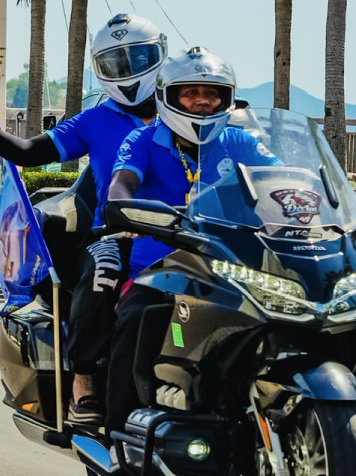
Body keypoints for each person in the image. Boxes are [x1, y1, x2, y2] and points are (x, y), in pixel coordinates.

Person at [0, 14, 168, 423]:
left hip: (185, 232)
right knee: (103, 271)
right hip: (117, 233)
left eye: (137, 59)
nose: (129, 73)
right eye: (116, 64)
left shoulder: (187, 113)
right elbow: (29, 152)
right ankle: (83, 384)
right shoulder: (96, 120)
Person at [100, 46, 276, 434]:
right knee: (136, 321)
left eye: (211, 94)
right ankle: (118, 437)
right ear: (168, 97)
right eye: (190, 93)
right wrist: (125, 210)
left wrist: (345, 199)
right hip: (159, 268)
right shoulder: (143, 141)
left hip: (233, 266)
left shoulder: (240, 142)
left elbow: (285, 178)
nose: (201, 102)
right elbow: (121, 184)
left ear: (226, 99)